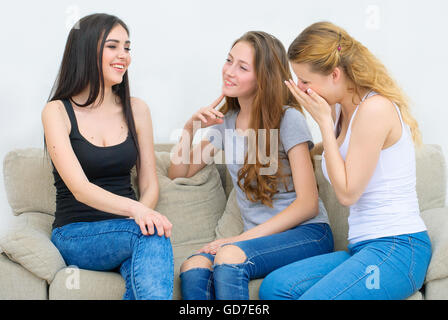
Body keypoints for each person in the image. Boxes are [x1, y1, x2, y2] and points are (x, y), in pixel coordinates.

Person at [259, 21, 431, 300]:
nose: (300, 89)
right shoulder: (340, 109)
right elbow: (335, 153)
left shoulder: (375, 109)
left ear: (335, 74)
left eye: (305, 81)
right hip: (363, 248)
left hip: (398, 249)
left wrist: (324, 123)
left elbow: (348, 193)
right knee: (276, 287)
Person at [168, 31, 332, 300]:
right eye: (229, 60)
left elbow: (308, 204)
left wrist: (237, 240)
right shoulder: (227, 122)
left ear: (263, 78)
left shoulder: (288, 119)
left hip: (307, 234)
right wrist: (190, 127)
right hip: (256, 240)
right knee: (193, 266)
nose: (229, 72)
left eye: (242, 67)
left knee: (229, 256)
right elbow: (179, 173)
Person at [42, 13, 174, 300]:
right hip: (75, 234)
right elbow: (80, 188)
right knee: (150, 235)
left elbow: (150, 182)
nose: (123, 55)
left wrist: (143, 215)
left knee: (147, 250)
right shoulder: (57, 111)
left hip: (128, 231)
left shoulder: (137, 109)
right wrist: (137, 212)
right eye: (112, 46)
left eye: (127, 47)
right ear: (87, 50)